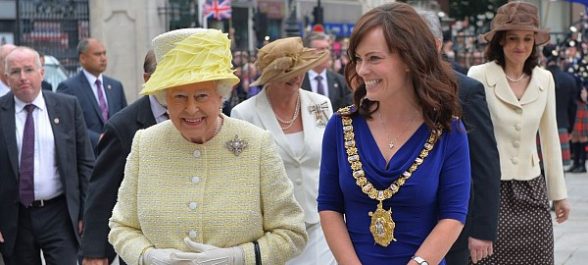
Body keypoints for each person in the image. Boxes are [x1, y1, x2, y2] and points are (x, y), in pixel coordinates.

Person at [108, 28, 307, 265]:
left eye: (202, 95)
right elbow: (121, 226)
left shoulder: (256, 144)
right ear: (164, 99)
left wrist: (239, 257)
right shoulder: (145, 143)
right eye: (179, 96)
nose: (191, 109)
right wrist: (147, 257)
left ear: (221, 95)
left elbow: (292, 233)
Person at [317, 3, 471, 265]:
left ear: (409, 60)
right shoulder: (341, 125)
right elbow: (329, 206)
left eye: (374, 58)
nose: (362, 69)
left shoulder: (449, 131)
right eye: (358, 58)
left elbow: (453, 215)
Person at [467, 2, 571, 264]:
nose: (520, 46)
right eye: (513, 38)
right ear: (500, 41)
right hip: (490, 191)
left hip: (532, 190)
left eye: (527, 39)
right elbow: (469, 138)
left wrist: (559, 195)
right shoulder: (478, 75)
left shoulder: (544, 79)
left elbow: (550, 139)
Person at [231, 37, 336, 265]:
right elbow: (242, 178)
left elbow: (335, 161)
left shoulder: (321, 104)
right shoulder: (244, 114)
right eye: (288, 71)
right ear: (270, 77)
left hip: (323, 223)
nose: (297, 76)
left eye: (300, 70)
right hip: (276, 229)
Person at [416, 9, 501, 265]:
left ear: (436, 44)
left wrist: (482, 230)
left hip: (452, 225)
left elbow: (485, 163)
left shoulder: (465, 90)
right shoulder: (393, 88)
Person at [0, 47, 94, 265]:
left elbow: (85, 163)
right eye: (15, 72)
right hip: (14, 217)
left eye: (28, 70)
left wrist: (85, 211)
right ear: (6, 78)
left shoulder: (67, 107)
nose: (22, 77)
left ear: (41, 73)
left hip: (59, 213)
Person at [81, 50, 164, 265]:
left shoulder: (200, 118)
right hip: (142, 246)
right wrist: (95, 252)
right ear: (148, 79)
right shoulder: (123, 127)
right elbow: (103, 192)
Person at [57, 38, 127, 150]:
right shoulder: (69, 88)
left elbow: (125, 118)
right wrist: (98, 139)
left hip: (115, 155)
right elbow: (67, 125)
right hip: (88, 154)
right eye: (97, 54)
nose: (103, 58)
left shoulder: (115, 86)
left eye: (104, 53)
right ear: (83, 58)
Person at [543, 44, 578, 168]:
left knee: (541, 172)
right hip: (562, 125)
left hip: (541, 129)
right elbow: (573, 107)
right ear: (560, 60)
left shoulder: (538, 78)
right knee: (560, 172)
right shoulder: (569, 79)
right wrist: (571, 128)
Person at [301, 32, 351, 111]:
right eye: (321, 49)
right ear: (309, 53)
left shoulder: (341, 82)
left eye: (327, 48)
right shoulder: (298, 81)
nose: (326, 52)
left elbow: (347, 111)